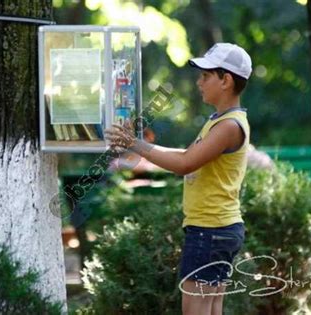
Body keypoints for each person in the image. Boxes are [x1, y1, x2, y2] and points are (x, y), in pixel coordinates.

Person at [105, 43, 252, 315]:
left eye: (206, 76)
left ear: (226, 80)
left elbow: (185, 164)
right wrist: (139, 147)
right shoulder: (221, 121)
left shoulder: (228, 127)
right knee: (212, 309)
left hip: (210, 231)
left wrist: (134, 144)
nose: (199, 82)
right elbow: (187, 154)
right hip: (218, 229)